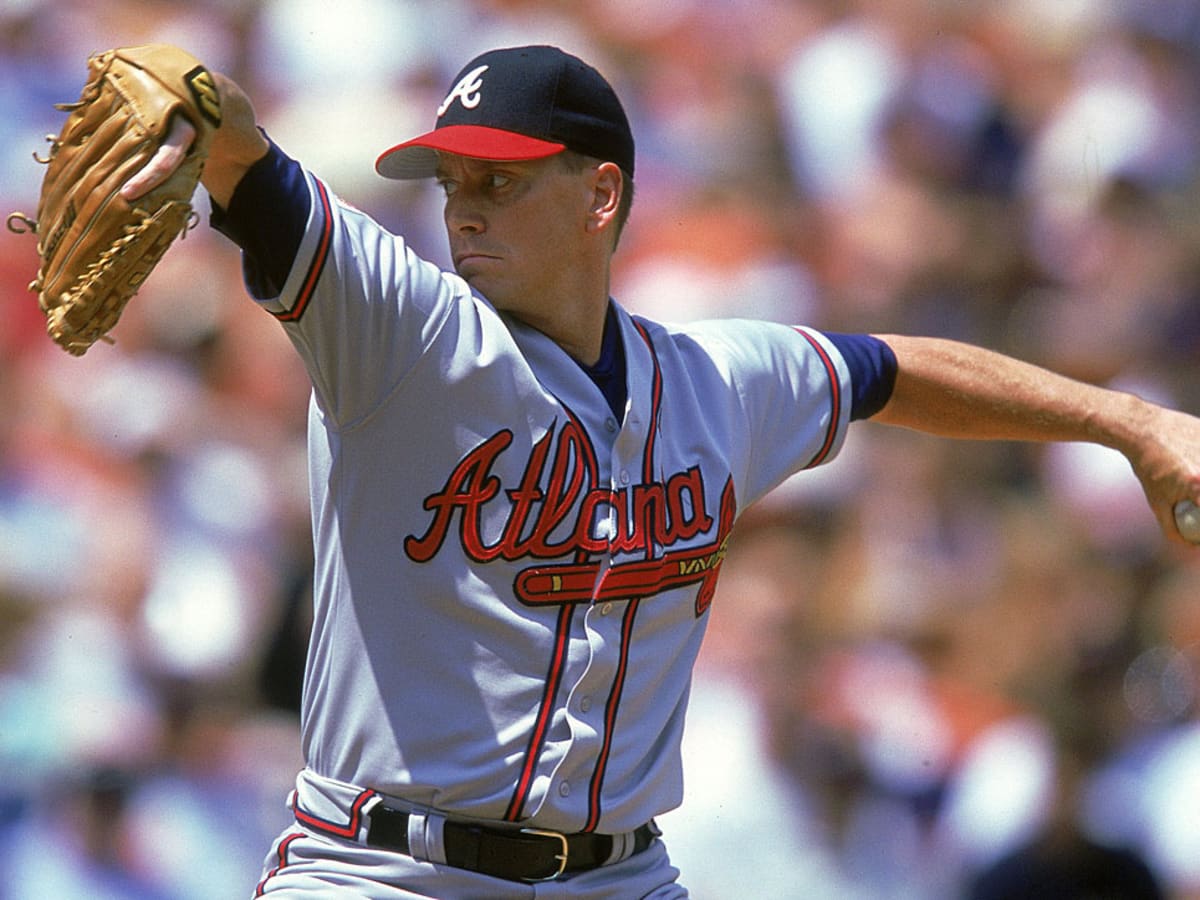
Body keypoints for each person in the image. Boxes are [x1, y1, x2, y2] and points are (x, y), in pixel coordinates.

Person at [122, 44, 1200, 898]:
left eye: (499, 179)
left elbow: (896, 371)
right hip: (382, 873)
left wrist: (1131, 422)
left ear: (600, 198)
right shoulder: (401, 332)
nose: (463, 208)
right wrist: (201, 106)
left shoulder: (715, 381)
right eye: (454, 181)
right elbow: (253, 172)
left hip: (621, 877)